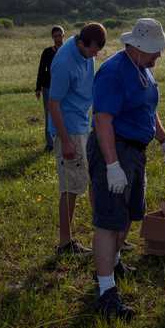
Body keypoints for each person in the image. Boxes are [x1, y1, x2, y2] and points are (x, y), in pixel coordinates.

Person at [88, 18, 165, 321]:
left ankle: (112, 264)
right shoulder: (114, 72)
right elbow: (103, 120)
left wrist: (164, 140)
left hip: (135, 151)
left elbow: (148, 109)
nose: (159, 55)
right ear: (139, 47)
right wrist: (112, 165)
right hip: (115, 149)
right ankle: (105, 293)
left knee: (128, 213)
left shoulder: (142, 69)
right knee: (109, 220)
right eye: (156, 50)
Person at [47, 22, 107, 255]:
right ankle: (65, 243)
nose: (95, 55)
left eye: (98, 51)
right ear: (82, 43)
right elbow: (53, 104)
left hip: (84, 125)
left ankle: (103, 231)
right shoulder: (63, 63)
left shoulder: (86, 52)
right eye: (93, 50)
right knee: (71, 187)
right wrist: (66, 141)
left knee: (92, 179)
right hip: (68, 129)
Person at [35, 25, 65, 151]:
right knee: (49, 114)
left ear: (64, 35)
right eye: (55, 36)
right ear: (52, 37)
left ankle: (64, 140)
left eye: (60, 35)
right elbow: (41, 69)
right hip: (49, 87)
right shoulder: (47, 52)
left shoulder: (68, 51)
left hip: (65, 87)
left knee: (64, 113)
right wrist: (38, 87)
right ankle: (50, 144)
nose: (58, 38)